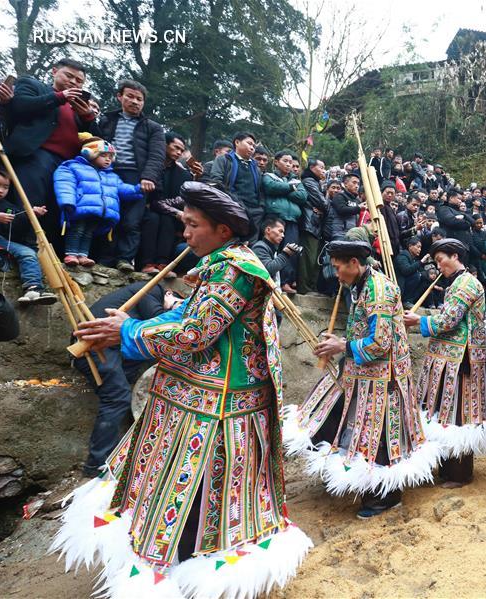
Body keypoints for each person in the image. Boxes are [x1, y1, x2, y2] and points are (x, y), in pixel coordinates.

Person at [54, 181, 311, 597]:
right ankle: (178, 556)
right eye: (185, 224)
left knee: (208, 484)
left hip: (224, 403)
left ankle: (193, 564)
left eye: (193, 225)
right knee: (184, 481)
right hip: (198, 394)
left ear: (223, 230)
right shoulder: (220, 263)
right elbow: (191, 318)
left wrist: (130, 330)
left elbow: (195, 333)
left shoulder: (235, 270)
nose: (185, 234)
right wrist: (126, 329)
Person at [284, 240, 437, 519]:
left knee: (379, 433)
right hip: (363, 373)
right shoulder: (361, 285)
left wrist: (342, 346)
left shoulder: (378, 290)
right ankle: (363, 485)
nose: (336, 274)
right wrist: (340, 343)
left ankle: (385, 497)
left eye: (338, 267)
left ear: (354, 263)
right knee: (353, 423)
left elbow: (380, 342)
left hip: (384, 377)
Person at [403, 238, 486, 487]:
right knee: (446, 411)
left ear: (455, 256)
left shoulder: (465, 283)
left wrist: (416, 321)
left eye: (440, 260)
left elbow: (448, 321)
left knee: (458, 414)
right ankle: (448, 469)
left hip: (461, 360)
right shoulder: (457, 283)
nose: (438, 266)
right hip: (450, 357)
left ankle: (459, 473)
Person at [72, 281, 182, 476]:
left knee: (130, 379)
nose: (179, 309)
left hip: (113, 348)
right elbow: (158, 322)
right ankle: (96, 466)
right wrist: (174, 308)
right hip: (93, 345)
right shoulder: (152, 287)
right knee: (117, 397)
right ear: (169, 293)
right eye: (178, 302)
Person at [4, 58, 96, 251]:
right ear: (54, 71)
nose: (73, 82)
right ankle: (24, 248)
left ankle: (53, 251)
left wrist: (87, 117)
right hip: (36, 154)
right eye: (69, 76)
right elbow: (19, 106)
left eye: (79, 81)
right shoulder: (33, 84)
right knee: (31, 200)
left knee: (58, 206)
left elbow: (96, 139)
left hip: (68, 164)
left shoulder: (77, 105)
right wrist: (60, 97)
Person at [94, 80, 165, 272]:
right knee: (108, 216)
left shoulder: (153, 127)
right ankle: (104, 259)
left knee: (132, 221)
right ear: (120, 97)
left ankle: (125, 259)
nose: (135, 102)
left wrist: (149, 177)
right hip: (109, 174)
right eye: (130, 96)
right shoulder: (106, 121)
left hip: (137, 177)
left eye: (139, 99)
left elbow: (157, 155)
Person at [53, 134, 143, 266]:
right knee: (77, 230)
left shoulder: (111, 176)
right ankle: (71, 254)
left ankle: (83, 255)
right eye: (103, 155)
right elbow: (65, 184)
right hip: (80, 208)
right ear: (89, 153)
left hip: (99, 212)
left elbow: (122, 189)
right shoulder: (72, 167)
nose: (108, 160)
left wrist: (137, 189)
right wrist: (67, 201)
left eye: (110, 157)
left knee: (88, 232)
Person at [138, 131, 201, 274]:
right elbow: (152, 199)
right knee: (152, 219)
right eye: (175, 147)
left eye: (181, 150)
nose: (179, 152)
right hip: (147, 207)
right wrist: (176, 212)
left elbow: (182, 197)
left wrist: (196, 177)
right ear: (165, 145)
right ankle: (147, 263)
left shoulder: (181, 172)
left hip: (166, 210)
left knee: (167, 220)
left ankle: (163, 264)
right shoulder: (152, 165)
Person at [0, 167, 57, 304]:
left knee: (28, 253)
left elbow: (17, 227)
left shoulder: (8, 207)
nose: (0, 190)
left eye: (5, 187)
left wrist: (30, 214)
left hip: (2, 242)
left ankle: (33, 289)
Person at [262, 151, 307, 293]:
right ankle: (269, 279)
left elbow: (302, 196)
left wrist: (285, 189)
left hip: (292, 220)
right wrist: (290, 188)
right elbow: (271, 187)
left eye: (291, 162)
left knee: (291, 250)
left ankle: (286, 282)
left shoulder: (296, 180)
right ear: (276, 162)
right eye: (285, 161)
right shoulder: (268, 176)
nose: (289, 165)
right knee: (272, 249)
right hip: (275, 217)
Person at [209, 131, 264, 236]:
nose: (252, 148)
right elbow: (216, 181)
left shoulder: (255, 167)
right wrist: (233, 202)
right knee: (232, 241)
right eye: (249, 143)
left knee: (250, 245)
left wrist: (261, 207)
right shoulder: (224, 159)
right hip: (233, 207)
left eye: (253, 145)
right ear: (237, 142)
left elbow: (260, 190)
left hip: (255, 211)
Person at [297, 158, 327, 294]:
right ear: (312, 167)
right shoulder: (309, 182)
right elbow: (323, 203)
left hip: (314, 224)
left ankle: (310, 287)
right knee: (308, 258)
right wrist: (325, 206)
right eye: (321, 167)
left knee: (314, 258)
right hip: (309, 224)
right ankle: (304, 288)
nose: (324, 170)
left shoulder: (315, 182)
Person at [251, 217, 301, 290]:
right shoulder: (259, 247)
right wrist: (285, 254)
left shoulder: (272, 249)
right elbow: (269, 269)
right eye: (280, 231)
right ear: (268, 230)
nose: (283, 236)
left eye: (283, 232)